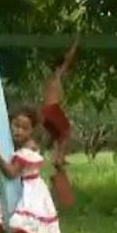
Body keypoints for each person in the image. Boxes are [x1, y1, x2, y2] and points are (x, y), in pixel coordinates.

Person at [40, 39, 79, 169]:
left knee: (58, 136)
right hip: (52, 109)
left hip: (45, 111)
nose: (67, 71)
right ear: (59, 67)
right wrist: (76, 43)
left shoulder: (51, 78)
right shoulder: (57, 75)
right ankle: (59, 158)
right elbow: (67, 59)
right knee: (66, 131)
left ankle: (57, 159)